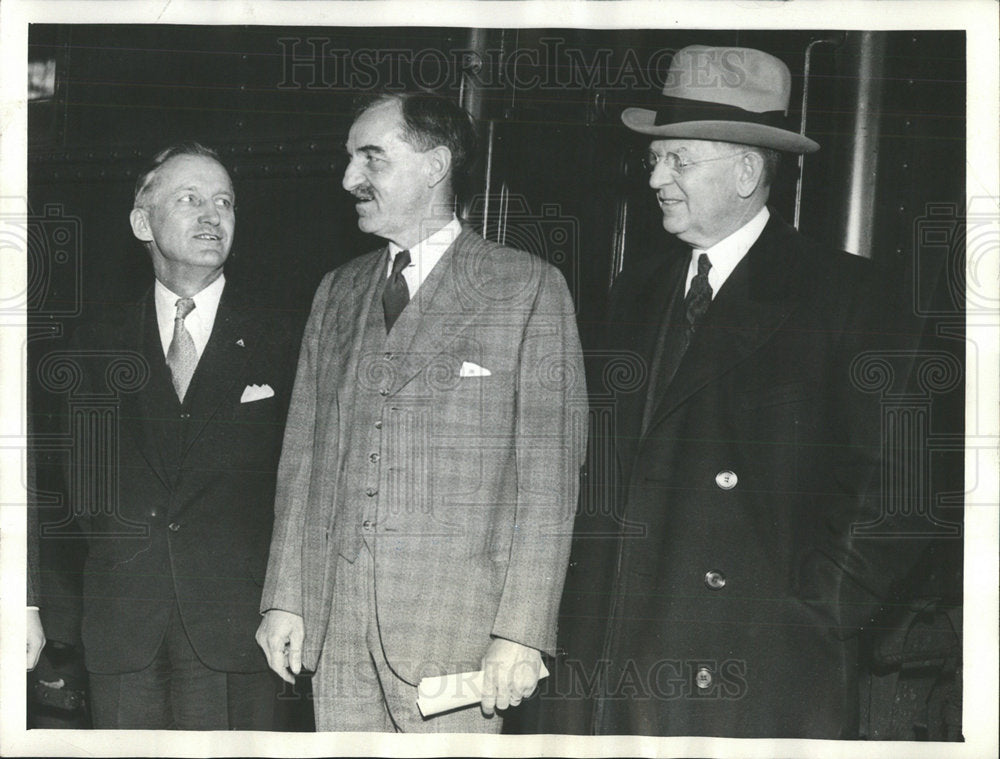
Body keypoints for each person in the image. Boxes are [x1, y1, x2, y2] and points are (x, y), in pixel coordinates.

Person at [550, 45, 924, 738]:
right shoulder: (633, 290)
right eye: (654, 159)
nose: (657, 177)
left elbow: (896, 491)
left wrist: (810, 615)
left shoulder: (846, 294)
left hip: (756, 665)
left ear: (748, 170)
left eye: (679, 161)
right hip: (617, 657)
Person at [255, 92, 587, 733]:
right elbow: (303, 459)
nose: (349, 179)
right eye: (350, 159)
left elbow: (549, 480)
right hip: (336, 627)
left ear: (435, 166)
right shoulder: (338, 289)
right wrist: (285, 598)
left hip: (457, 636)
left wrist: (521, 632)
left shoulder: (525, 287)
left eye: (371, 159)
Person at [44, 142, 299, 729]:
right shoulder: (90, 344)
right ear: (142, 221)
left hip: (242, 635)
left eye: (224, 202)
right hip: (121, 635)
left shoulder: (287, 336)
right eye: (189, 199)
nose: (212, 215)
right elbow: (65, 497)